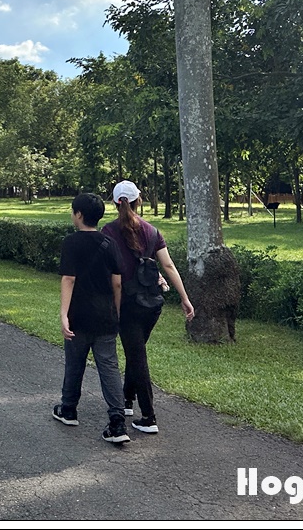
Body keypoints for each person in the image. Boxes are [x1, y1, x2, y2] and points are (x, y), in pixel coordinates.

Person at [102, 180, 195, 436]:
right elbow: (169, 267)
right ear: (138, 201)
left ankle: (149, 416)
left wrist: (115, 309)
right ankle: (127, 399)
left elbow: (114, 279)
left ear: (114, 203)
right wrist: (185, 299)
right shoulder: (153, 232)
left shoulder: (108, 232)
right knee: (137, 349)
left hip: (127, 304)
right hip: (152, 304)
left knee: (137, 355)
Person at [53, 192, 130, 445]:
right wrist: (116, 312)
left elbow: (69, 279)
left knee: (74, 361)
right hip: (105, 314)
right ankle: (117, 422)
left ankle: (69, 408)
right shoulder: (110, 244)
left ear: (79, 214)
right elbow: (117, 283)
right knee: (108, 367)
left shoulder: (70, 243)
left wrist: (63, 314)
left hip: (79, 314)